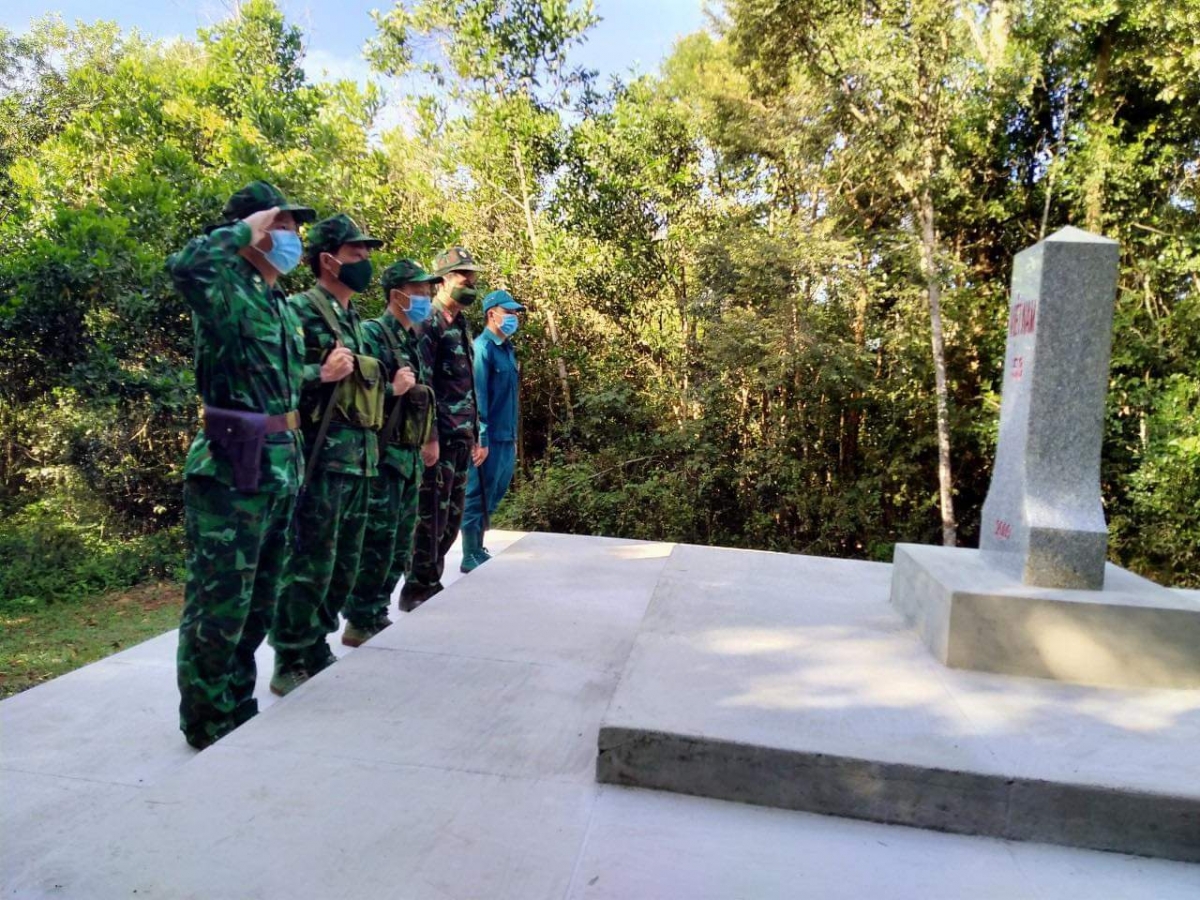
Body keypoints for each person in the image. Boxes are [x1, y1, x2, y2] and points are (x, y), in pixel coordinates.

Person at [168, 180, 315, 749]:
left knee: (258, 601)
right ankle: (206, 721)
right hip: (231, 465)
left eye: (293, 228)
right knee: (219, 600)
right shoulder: (222, 285)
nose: (292, 237)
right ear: (255, 229)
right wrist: (241, 230)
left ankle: (236, 703)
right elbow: (183, 266)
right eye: (282, 225)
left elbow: (272, 383)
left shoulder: (277, 301)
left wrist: (314, 378)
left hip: (279, 463)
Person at [269, 214, 414, 695]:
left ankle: (317, 643)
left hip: (361, 459)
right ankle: (289, 656)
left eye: (368, 254)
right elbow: (273, 380)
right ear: (328, 260)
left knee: (343, 563)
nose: (366, 262)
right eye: (357, 254)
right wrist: (320, 374)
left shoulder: (352, 319)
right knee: (310, 559)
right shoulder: (299, 311)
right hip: (321, 459)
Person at [342, 260, 440, 644]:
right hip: (382, 457)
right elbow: (352, 396)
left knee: (399, 544)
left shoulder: (411, 341)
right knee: (377, 542)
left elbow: (422, 400)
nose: (426, 298)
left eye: (428, 291)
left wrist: (429, 438)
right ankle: (359, 617)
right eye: (419, 291)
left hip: (408, 458)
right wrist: (391, 390)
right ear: (397, 294)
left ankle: (375, 611)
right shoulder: (371, 334)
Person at [398, 246, 485, 611]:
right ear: (444, 281)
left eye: (473, 279)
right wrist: (429, 436)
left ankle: (430, 581)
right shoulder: (429, 324)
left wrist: (476, 434)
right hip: (440, 439)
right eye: (464, 278)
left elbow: (467, 387)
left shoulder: (462, 324)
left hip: (462, 436)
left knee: (450, 518)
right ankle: (418, 587)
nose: (470, 285)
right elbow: (424, 388)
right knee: (430, 515)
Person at [460, 290, 525, 572]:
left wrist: (512, 438)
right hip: (488, 438)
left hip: (506, 435)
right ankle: (469, 553)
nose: (513, 318)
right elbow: (477, 398)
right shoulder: (482, 349)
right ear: (492, 314)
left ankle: (479, 545)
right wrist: (480, 438)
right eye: (508, 313)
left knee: (496, 492)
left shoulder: (507, 350)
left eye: (515, 313)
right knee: (478, 493)